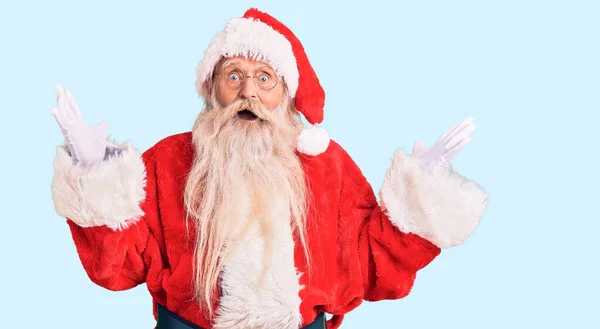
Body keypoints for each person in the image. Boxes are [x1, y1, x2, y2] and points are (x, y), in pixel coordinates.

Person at [50, 8, 489, 329]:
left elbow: (372, 264)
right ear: (212, 89)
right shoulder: (168, 160)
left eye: (265, 78)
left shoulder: (327, 166)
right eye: (233, 75)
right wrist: (96, 177)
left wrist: (420, 194)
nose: (248, 92)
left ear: (286, 95)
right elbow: (119, 266)